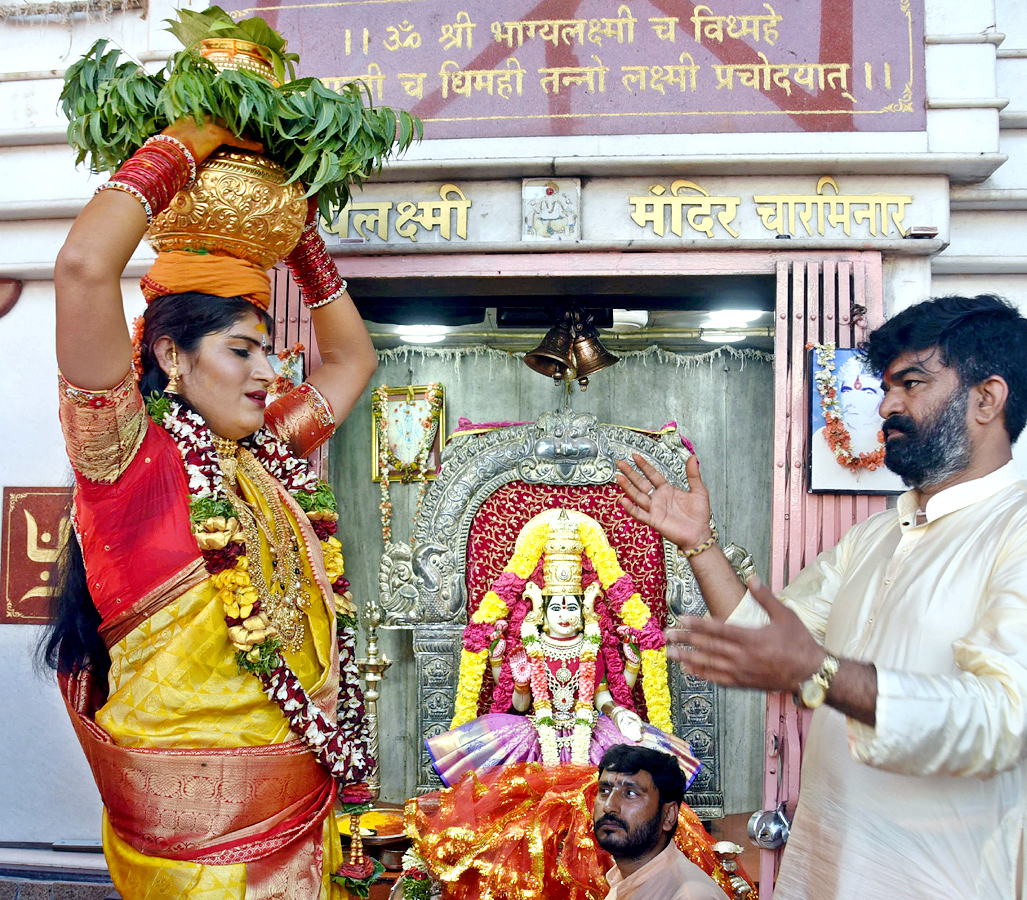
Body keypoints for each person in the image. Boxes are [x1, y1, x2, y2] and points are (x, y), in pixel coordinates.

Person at [616, 295, 1027, 900]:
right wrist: (701, 546)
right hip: (830, 872)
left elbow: (1007, 716)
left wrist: (818, 670)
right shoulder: (878, 535)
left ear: (987, 398)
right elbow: (768, 639)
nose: (888, 404)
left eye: (911, 383)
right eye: (887, 386)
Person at [44, 116, 378, 897]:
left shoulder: (265, 455)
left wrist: (299, 232)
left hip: (304, 813)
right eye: (242, 349)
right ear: (171, 357)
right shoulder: (129, 460)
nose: (269, 372)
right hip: (198, 854)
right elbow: (84, 268)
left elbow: (354, 359)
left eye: (270, 350)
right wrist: (193, 136)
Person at [401, 508, 750, 900]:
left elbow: (602, 694)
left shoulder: (592, 646)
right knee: (521, 821)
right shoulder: (532, 647)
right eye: (556, 607)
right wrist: (510, 672)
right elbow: (518, 704)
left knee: (608, 790)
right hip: (536, 733)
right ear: (543, 613)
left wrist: (620, 708)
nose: (564, 614)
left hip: (591, 733)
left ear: (583, 611)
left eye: (570, 606)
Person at [595, 745, 728, 900]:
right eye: (604, 791)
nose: (609, 806)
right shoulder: (624, 880)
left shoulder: (690, 896)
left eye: (630, 793)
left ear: (668, 816)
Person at [808, 351, 905, 493]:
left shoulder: (898, 441)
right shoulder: (819, 439)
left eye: (867, 392)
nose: (853, 402)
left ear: (885, 398)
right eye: (847, 391)